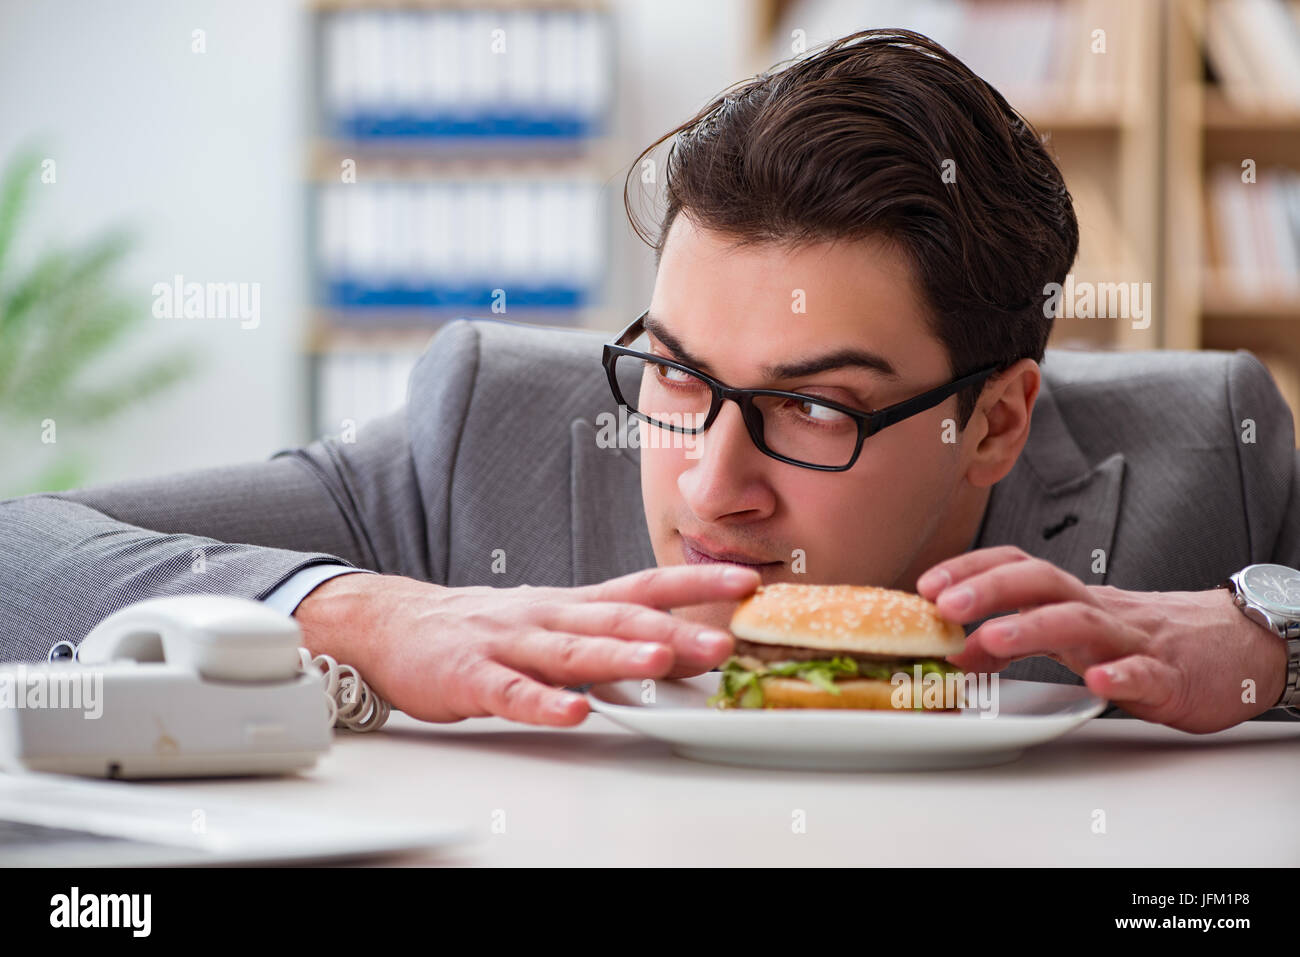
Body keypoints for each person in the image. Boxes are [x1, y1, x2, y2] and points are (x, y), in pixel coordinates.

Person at [2, 30, 1297, 734]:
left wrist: (1269, 644)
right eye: (676, 377)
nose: (709, 484)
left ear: (998, 420)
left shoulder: (1210, 458)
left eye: (814, 406)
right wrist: (364, 617)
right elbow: (20, 550)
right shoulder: (490, 430)